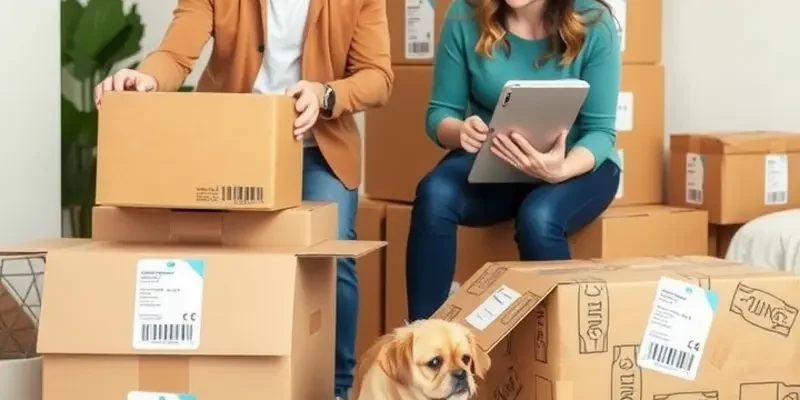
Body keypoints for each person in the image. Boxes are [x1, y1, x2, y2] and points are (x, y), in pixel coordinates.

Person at [94, 1, 393, 398]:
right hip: (232, 144)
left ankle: (336, 387)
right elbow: (175, 53)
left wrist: (326, 94)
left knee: (332, 254)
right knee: (216, 253)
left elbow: (378, 77)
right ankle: (226, 378)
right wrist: (147, 78)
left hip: (318, 147)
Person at [406, 0, 621, 321]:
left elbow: (601, 132)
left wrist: (560, 169)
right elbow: (439, 114)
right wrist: (460, 131)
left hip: (578, 164)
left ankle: (560, 348)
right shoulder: (465, 14)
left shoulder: (594, 22)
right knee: (435, 193)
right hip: (496, 161)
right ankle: (425, 345)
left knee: (539, 217)